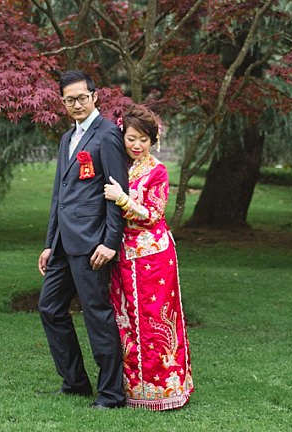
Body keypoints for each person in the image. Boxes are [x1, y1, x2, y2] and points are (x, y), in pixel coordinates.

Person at [37, 70, 130, 409]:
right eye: (69, 100)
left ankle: (111, 394)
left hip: (93, 244)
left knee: (96, 314)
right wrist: (50, 243)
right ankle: (75, 382)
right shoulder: (67, 139)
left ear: (94, 97)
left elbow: (118, 192)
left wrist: (110, 242)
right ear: (63, 103)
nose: (76, 104)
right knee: (49, 308)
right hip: (63, 243)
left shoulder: (107, 135)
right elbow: (59, 195)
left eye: (81, 97)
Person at [102, 104, 194, 411]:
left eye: (143, 139)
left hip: (153, 257)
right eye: (131, 138)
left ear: (152, 140)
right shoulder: (119, 165)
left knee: (155, 320)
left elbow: (154, 215)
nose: (136, 145)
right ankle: (130, 389)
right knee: (126, 320)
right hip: (122, 255)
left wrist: (123, 199)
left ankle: (164, 390)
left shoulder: (158, 171)